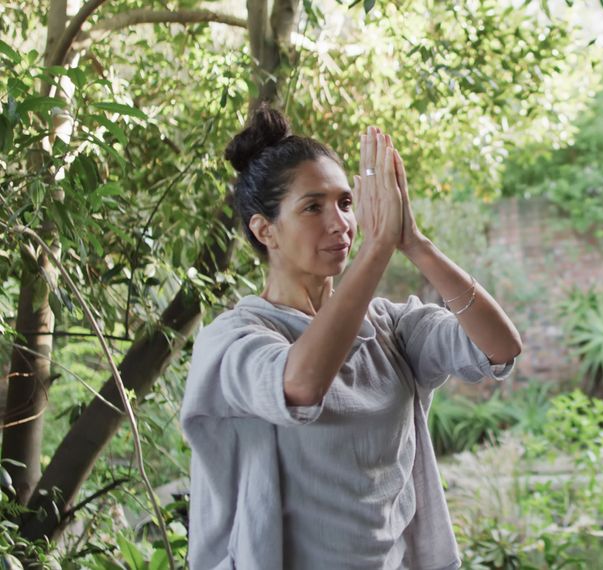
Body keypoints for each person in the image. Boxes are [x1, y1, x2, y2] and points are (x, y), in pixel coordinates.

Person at [180, 104, 522, 570]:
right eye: (312, 207)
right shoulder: (235, 341)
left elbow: (499, 348)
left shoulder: (389, 329)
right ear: (265, 230)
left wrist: (414, 244)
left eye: (345, 202)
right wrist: (377, 248)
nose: (340, 223)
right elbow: (299, 386)